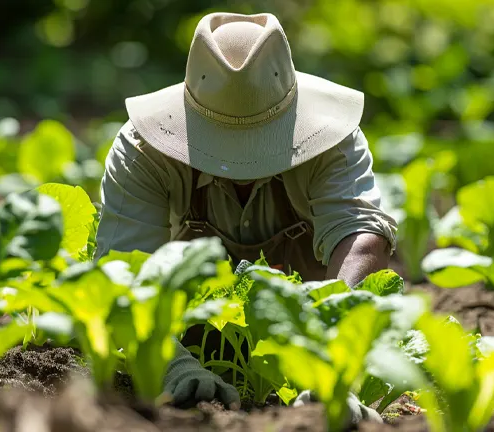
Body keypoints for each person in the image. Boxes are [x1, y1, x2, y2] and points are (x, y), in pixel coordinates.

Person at [94, 12, 397, 425]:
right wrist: (169, 363)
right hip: (188, 335)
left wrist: (331, 362)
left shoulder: (333, 142)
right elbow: (121, 270)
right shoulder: (144, 152)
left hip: (304, 334)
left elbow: (361, 235)